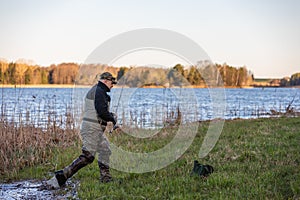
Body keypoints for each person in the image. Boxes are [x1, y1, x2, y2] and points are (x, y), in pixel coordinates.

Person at [54, 72, 118, 186]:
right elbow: (102, 112)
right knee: (88, 156)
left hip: (94, 128)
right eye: (111, 82)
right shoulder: (99, 91)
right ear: (105, 81)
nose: (113, 85)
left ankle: (106, 178)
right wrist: (112, 118)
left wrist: (110, 115)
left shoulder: (98, 90)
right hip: (91, 128)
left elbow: (99, 110)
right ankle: (63, 175)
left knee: (105, 150)